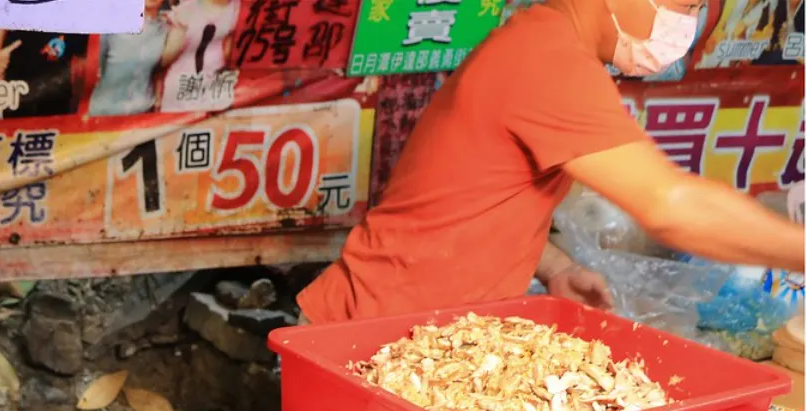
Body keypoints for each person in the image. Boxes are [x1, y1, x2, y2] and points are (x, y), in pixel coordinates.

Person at [297, 0, 805, 325]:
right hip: (369, 338)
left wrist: (556, 265)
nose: (688, 24)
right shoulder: (548, 58)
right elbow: (670, 205)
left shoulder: (546, 41)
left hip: (405, 331)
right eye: (687, 3)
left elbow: (474, 195)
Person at [87, 0, 183, 117]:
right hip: (105, 112)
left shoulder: (165, 29)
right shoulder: (112, 22)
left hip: (143, 113)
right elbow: (96, 66)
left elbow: (159, 70)